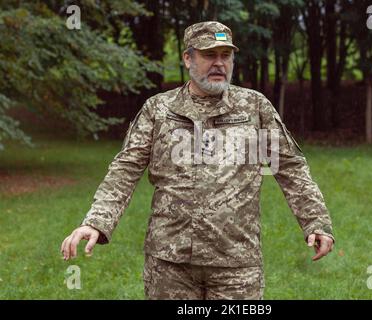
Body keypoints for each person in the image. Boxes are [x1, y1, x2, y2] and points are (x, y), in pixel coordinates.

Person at [61, 21, 335, 300]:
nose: (219, 63)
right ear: (188, 58)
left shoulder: (254, 107)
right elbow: (125, 168)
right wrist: (96, 222)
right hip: (170, 262)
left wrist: (316, 222)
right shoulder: (159, 109)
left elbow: (290, 168)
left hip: (237, 263)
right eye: (209, 55)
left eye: (225, 56)